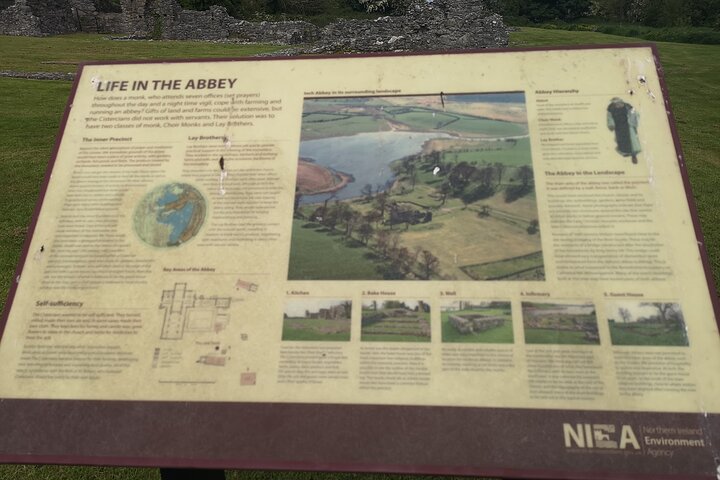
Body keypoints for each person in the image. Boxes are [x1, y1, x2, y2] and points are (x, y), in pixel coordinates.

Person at [607, 97, 641, 164]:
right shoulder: (611, 108)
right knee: (622, 141)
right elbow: (609, 117)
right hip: (619, 127)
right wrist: (611, 124)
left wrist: (632, 120)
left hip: (628, 126)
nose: (618, 105)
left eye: (619, 103)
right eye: (616, 104)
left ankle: (634, 155)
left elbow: (634, 113)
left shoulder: (627, 106)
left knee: (632, 141)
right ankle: (626, 152)